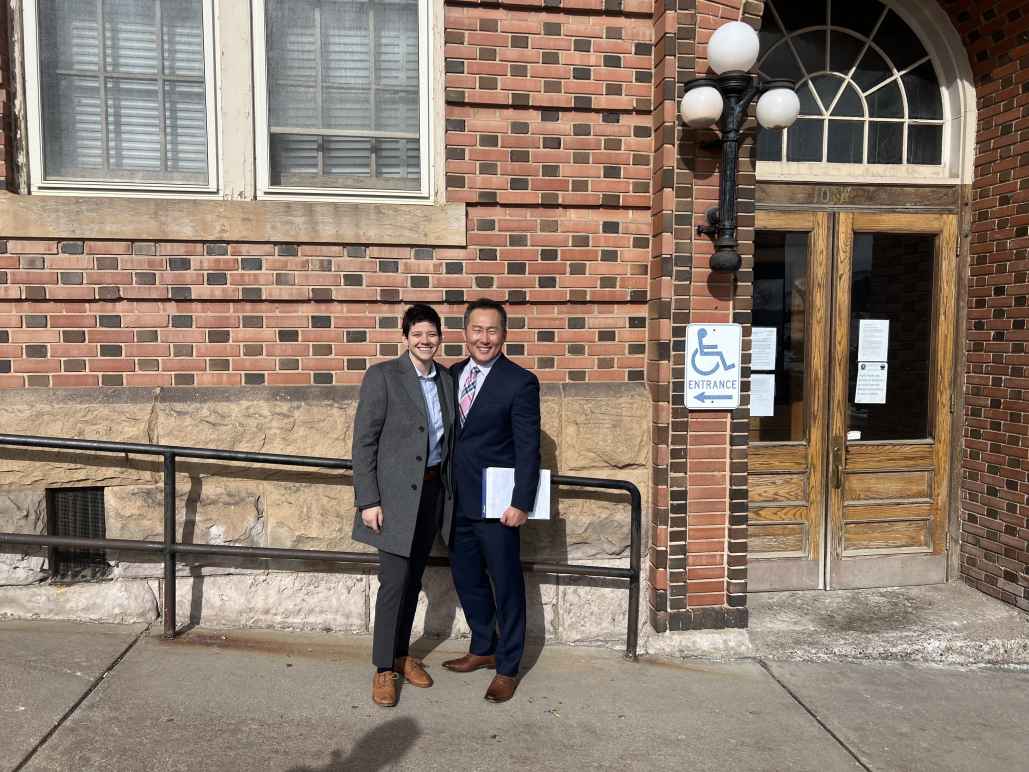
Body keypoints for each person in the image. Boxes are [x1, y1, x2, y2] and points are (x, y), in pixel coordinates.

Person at [351, 303, 455, 707]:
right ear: (405, 337)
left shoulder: (445, 379)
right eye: (417, 334)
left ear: (439, 338)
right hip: (392, 500)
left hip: (431, 494)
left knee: (413, 581)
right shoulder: (383, 377)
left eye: (432, 334)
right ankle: (382, 669)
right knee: (394, 582)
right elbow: (364, 442)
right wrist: (369, 500)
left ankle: (400, 654)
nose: (425, 341)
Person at [444, 298, 541, 703]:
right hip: (456, 502)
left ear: (503, 335)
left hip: (498, 505)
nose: (484, 338)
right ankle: (482, 647)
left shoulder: (520, 382)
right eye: (477, 330)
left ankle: (508, 665)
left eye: (492, 331)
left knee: (506, 584)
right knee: (467, 580)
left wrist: (522, 502)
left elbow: (527, 448)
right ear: (465, 333)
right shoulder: (449, 375)